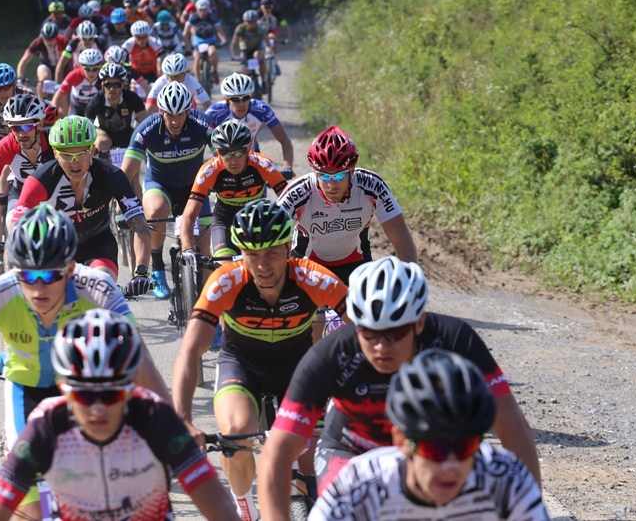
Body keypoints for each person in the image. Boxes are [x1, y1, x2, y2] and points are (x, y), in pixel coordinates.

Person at [0, 205, 171, 519]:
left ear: (69, 268)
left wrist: (171, 429)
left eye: (50, 274)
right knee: (31, 508)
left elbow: (140, 362)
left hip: (92, 394)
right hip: (26, 391)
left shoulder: (95, 287)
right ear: (14, 269)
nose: (38, 286)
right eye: (28, 274)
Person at [257, 257, 542, 521]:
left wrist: (528, 504)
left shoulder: (454, 340)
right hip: (351, 449)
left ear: (419, 322)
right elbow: (277, 453)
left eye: (395, 334)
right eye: (370, 333)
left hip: (439, 446)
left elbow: (511, 428)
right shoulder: (332, 355)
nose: (382, 346)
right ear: (355, 325)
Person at [0, 309, 239, 521]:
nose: (98, 407)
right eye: (85, 395)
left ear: (132, 384)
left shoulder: (155, 416)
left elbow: (219, 507)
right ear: (63, 386)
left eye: (111, 393)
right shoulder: (47, 424)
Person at [173, 199, 349, 521]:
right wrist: (184, 420)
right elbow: (190, 351)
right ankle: (244, 506)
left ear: (288, 247)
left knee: (309, 461)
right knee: (237, 434)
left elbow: (366, 330)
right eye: (252, 254)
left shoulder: (312, 278)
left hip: (298, 369)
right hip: (241, 366)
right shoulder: (226, 280)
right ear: (240, 253)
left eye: (272, 253)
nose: (263, 265)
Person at [309, 349, 548, 520]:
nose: (451, 466)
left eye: (465, 447)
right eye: (436, 449)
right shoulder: (357, 488)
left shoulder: (506, 479)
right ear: (402, 441)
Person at [10, 116, 152, 291]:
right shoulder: (40, 180)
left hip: (98, 244)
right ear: (55, 154)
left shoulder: (112, 176)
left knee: (102, 285)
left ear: (92, 150)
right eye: (66, 155)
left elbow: (139, 225)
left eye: (81, 153)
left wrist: (141, 272)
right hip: (55, 248)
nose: (74, 162)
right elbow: (18, 226)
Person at [278, 125, 416, 284]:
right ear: (314, 172)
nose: (331, 184)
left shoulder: (372, 185)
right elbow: (274, 241)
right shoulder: (298, 192)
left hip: (355, 266)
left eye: (339, 176)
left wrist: (410, 284)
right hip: (307, 264)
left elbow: (400, 237)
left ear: (352, 171)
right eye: (323, 175)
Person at [120, 81, 213, 298]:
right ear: (160, 111)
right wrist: (119, 205)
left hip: (195, 188)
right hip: (160, 185)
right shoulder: (148, 129)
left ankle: (211, 306)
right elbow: (126, 174)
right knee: (155, 212)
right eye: (169, 115)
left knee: (206, 253)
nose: (174, 121)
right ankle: (158, 267)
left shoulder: (202, 123)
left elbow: (225, 156)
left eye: (180, 115)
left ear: (188, 111)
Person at [181, 119, 289, 260]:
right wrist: (187, 248)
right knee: (224, 266)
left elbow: (290, 199)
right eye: (226, 152)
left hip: (258, 222)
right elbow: (189, 216)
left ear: (248, 149)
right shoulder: (209, 171)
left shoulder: (263, 164)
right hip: (225, 223)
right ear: (217, 152)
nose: (233, 160)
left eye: (239, 152)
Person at [0, 93, 54, 242]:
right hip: (21, 194)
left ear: (39, 124)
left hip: (55, 194)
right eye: (15, 127)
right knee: (16, 230)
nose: (21, 133)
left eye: (27, 126)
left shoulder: (54, 141)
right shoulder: (5, 147)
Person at [206, 72, 295, 177]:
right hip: (223, 160)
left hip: (251, 158)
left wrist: (287, 167)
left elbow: (284, 140)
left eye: (245, 98)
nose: (241, 104)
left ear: (251, 96)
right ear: (226, 99)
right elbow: (200, 139)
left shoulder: (261, 109)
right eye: (235, 99)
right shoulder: (215, 112)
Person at [84, 62, 147, 158]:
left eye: (116, 84)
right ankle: (105, 168)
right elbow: (88, 127)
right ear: (102, 86)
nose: (112, 89)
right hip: (105, 134)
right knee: (103, 142)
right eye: (108, 85)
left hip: (127, 135)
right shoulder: (96, 100)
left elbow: (145, 121)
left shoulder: (131, 97)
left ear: (122, 85)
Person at [145, 52, 211, 114]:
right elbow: (148, 106)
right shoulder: (161, 81)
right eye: (172, 77)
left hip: (188, 111)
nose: (175, 80)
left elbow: (207, 105)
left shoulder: (191, 81)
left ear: (185, 73)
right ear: (166, 75)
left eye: (179, 76)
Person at [15, 21, 67, 99]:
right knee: (43, 81)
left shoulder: (63, 41)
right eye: (46, 39)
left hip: (62, 65)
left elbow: (73, 58)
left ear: (56, 37)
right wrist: (20, 78)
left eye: (52, 39)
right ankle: (42, 103)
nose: (49, 41)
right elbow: (23, 61)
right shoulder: (38, 42)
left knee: (60, 88)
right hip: (46, 65)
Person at [183, 0, 226, 84]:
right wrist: (186, 44)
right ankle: (197, 82)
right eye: (200, 10)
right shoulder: (193, 18)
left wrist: (223, 39)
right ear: (197, 9)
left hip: (210, 40)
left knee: (213, 52)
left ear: (208, 9)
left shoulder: (212, 17)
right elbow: (185, 33)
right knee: (197, 58)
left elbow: (219, 30)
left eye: (205, 9)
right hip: (198, 41)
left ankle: (215, 72)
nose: (203, 12)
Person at [52, 47, 105, 115]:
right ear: (81, 67)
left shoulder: (103, 75)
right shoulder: (75, 75)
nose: (91, 73)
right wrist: (51, 115)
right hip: (77, 106)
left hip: (96, 106)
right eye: (87, 69)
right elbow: (58, 97)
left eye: (95, 69)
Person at [229, 9, 269, 92]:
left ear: (256, 21)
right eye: (248, 22)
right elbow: (233, 43)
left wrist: (270, 51)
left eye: (253, 22)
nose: (251, 24)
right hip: (245, 49)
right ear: (244, 21)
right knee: (245, 69)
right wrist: (233, 55)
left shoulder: (261, 28)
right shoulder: (240, 28)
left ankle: (264, 81)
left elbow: (267, 41)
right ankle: (245, 86)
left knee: (259, 58)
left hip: (257, 47)